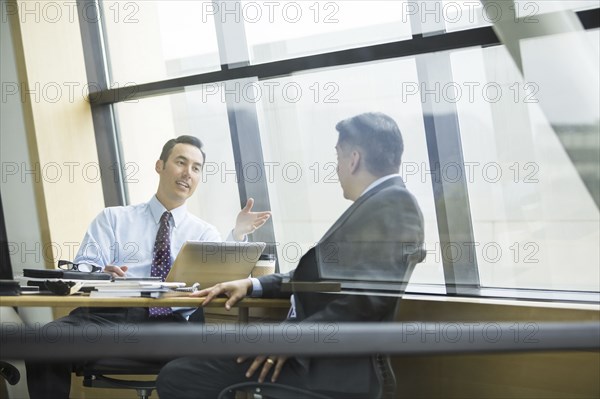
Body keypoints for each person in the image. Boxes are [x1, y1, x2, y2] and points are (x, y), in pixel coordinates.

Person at [156, 113, 425, 398]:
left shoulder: (395, 205)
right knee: (193, 363)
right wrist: (252, 285)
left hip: (324, 366)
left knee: (180, 377)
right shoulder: (379, 204)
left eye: (338, 157)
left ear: (353, 159)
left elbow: (365, 299)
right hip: (311, 356)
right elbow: (321, 279)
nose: (336, 168)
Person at [25, 135, 271, 399]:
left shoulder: (204, 233)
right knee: (44, 341)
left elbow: (222, 278)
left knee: (223, 355)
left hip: (170, 325)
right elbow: (82, 272)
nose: (188, 173)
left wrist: (237, 236)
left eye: (196, 168)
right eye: (180, 162)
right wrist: (99, 275)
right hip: (106, 319)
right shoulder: (113, 218)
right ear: (160, 165)